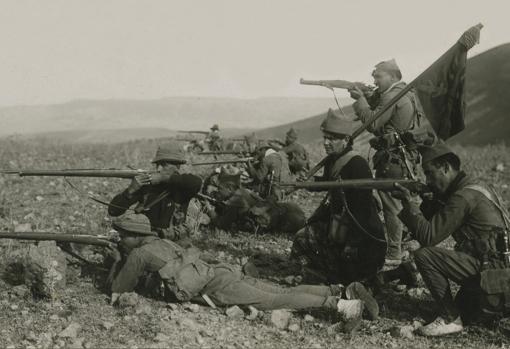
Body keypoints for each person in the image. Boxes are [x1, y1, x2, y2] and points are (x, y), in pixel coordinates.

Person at [108, 214, 379, 331]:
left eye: (121, 235)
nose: (119, 238)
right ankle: (336, 290)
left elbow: (118, 289)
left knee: (274, 301)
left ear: (132, 236)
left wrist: (117, 259)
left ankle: (344, 305)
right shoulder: (161, 242)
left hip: (214, 287)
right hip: (221, 272)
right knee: (280, 291)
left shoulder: (138, 253)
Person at [391, 143, 507, 336]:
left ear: (446, 168)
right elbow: (438, 218)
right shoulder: (474, 187)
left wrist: (409, 203)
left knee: (424, 255)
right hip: (496, 276)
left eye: (429, 173)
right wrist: (428, 200)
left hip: (493, 277)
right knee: (470, 312)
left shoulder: (462, 197)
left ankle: (449, 319)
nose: (427, 180)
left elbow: (429, 237)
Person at [291, 109, 386, 288]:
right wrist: (311, 182)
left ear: (346, 140)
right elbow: (329, 183)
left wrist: (353, 245)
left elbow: (362, 210)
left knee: (350, 277)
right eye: (325, 137)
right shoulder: (334, 160)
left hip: (362, 238)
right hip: (341, 228)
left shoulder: (357, 164)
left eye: (332, 138)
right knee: (302, 238)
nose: (326, 143)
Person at [349, 59, 423, 269]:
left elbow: (372, 123)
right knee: (404, 203)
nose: (375, 80)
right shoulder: (406, 93)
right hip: (404, 158)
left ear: (392, 76)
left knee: (392, 207)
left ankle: (393, 254)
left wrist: (361, 100)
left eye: (378, 76)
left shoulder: (392, 95)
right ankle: (410, 244)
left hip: (392, 159)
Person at [108, 142, 202, 241]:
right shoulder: (149, 186)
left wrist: (163, 177)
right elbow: (113, 211)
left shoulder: (182, 186)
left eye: (164, 164)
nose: (159, 168)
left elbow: (196, 182)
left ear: (178, 165)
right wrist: (131, 190)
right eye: (158, 164)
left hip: (172, 243)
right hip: (146, 240)